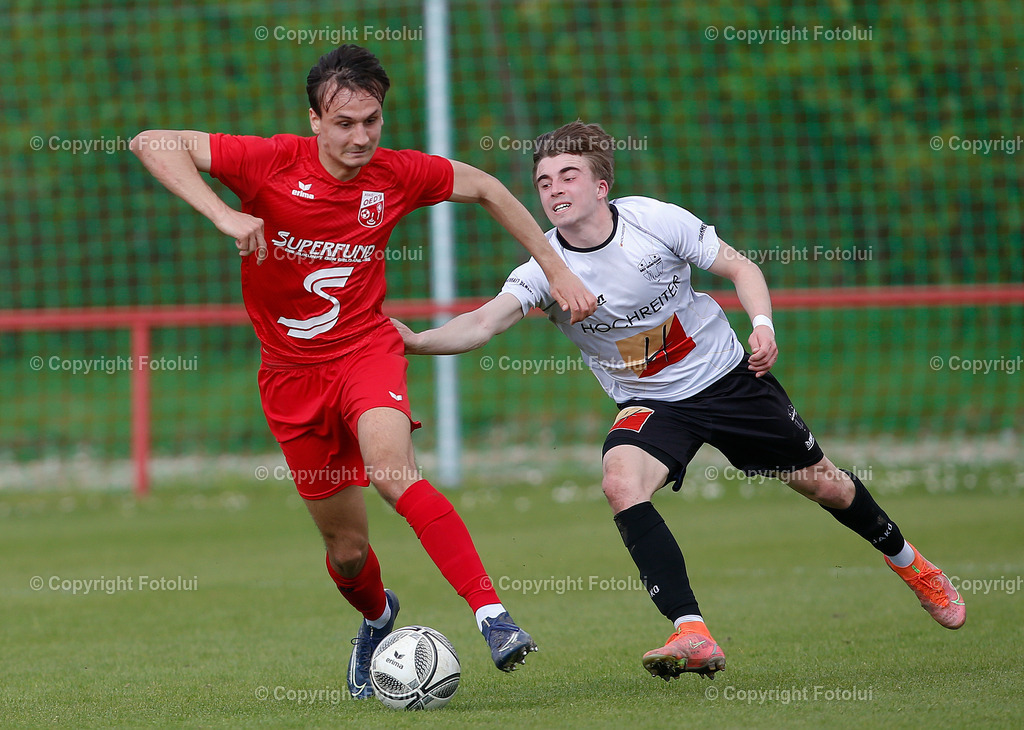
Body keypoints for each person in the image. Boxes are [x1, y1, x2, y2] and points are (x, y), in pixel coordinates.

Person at [394, 120, 966, 682]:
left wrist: (762, 325)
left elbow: (741, 267)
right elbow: (482, 324)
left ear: (601, 187)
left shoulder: (653, 221)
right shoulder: (544, 267)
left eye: (568, 176)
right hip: (652, 403)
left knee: (827, 484)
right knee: (621, 482)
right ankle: (691, 631)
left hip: (727, 380)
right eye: (543, 182)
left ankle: (913, 566)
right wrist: (416, 341)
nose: (553, 190)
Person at [130, 46, 597, 698]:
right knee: (347, 553)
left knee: (392, 472)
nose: (360, 136)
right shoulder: (267, 161)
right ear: (314, 119)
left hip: (365, 351)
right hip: (291, 379)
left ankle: (493, 616)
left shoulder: (397, 174)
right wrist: (223, 212)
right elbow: (151, 141)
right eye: (344, 122)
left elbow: (487, 188)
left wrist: (558, 270)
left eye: (371, 121)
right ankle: (378, 618)